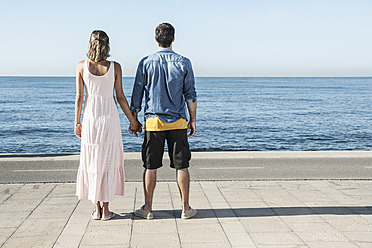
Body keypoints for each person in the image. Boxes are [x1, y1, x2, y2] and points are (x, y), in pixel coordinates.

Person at [130, 23, 197, 219]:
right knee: (182, 166)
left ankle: (148, 209)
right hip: (178, 122)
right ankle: (185, 208)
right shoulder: (184, 62)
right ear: (173, 39)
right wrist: (192, 120)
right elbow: (190, 95)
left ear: (156, 39)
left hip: (153, 122)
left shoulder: (146, 62)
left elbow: (137, 95)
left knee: (150, 166)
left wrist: (134, 119)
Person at [74, 30, 141, 221]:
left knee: (92, 161)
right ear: (107, 45)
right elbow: (120, 97)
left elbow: (79, 98)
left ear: (90, 44)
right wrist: (133, 121)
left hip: (91, 119)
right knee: (108, 161)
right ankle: (106, 209)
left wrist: (77, 122)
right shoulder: (115, 67)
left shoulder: (81, 66)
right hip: (110, 119)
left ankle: (96, 209)